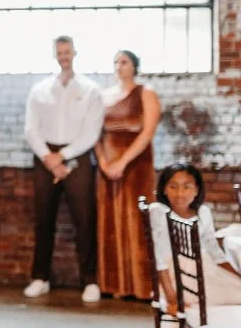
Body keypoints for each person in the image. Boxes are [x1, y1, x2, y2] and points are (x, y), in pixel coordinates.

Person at [23, 35, 105, 302]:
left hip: (77, 156)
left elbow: (92, 132)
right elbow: (30, 129)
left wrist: (63, 156)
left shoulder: (91, 90)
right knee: (43, 220)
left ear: (75, 53)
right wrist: (49, 157)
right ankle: (40, 278)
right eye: (59, 52)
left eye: (67, 51)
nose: (63, 56)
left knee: (84, 220)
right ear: (54, 54)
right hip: (45, 156)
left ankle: (90, 280)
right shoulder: (40, 89)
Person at [96, 49, 161, 299]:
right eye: (115, 62)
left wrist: (123, 162)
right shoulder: (104, 96)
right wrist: (103, 163)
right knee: (110, 223)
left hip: (136, 165)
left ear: (134, 66)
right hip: (107, 168)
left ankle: (143, 286)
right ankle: (116, 286)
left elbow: (147, 133)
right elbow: (95, 133)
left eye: (124, 62)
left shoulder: (146, 93)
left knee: (137, 222)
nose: (119, 66)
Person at [149, 164, 241, 312]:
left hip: (203, 270)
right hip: (177, 277)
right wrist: (172, 298)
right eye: (173, 186)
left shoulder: (203, 212)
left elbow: (215, 251)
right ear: (164, 189)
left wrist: (237, 276)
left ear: (196, 190)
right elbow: (159, 257)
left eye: (187, 187)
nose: (180, 193)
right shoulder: (159, 212)